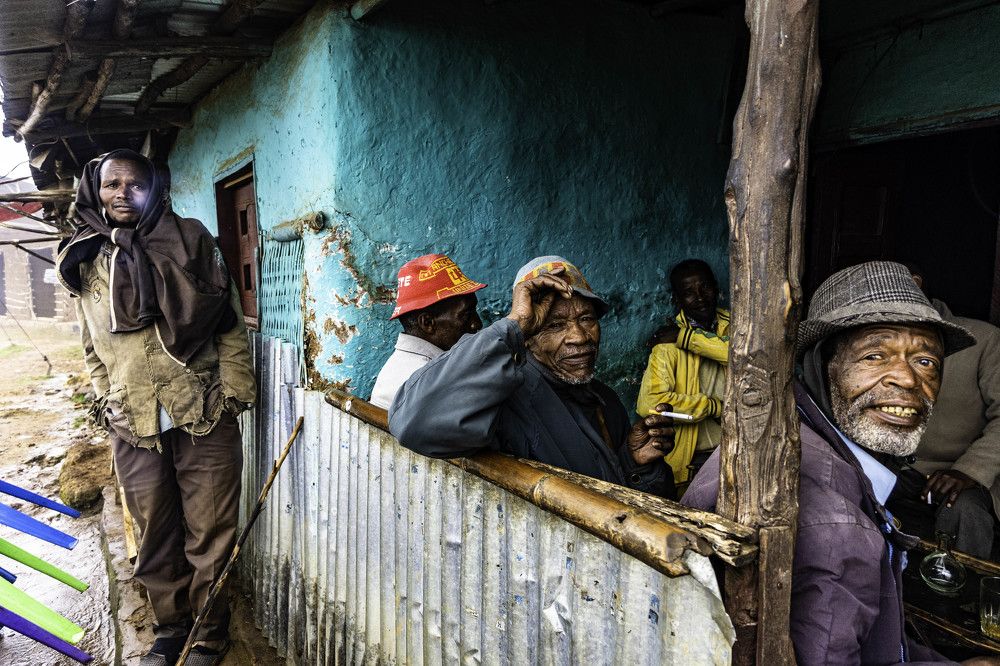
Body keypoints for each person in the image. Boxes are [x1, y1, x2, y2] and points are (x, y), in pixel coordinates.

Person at [684, 261, 979, 664]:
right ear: (824, 367)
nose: (908, 380)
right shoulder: (836, 526)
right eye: (875, 356)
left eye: (926, 361)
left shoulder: (789, 437)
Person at [56, 149, 256, 666]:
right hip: (133, 421)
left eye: (134, 183)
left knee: (210, 530)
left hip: (202, 411)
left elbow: (229, 325)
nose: (122, 193)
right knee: (152, 532)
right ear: (94, 192)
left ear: (154, 189)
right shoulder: (84, 258)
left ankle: (209, 635)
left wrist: (233, 391)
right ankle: (170, 631)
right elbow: (90, 347)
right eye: (111, 184)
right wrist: (106, 400)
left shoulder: (190, 240)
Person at [389, 255, 676, 498]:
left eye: (586, 319)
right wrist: (514, 325)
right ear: (528, 338)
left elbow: (617, 497)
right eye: (555, 325)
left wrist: (636, 462)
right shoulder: (505, 399)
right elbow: (414, 424)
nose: (578, 337)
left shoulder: (605, 401)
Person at [887, 266, 1000, 559]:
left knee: (962, 509)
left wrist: (968, 471)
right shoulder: (877, 340)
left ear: (916, 284)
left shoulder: (984, 339)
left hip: (965, 471)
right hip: (899, 467)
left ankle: (965, 601)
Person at [637, 259, 729, 487]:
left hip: (741, 450)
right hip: (694, 462)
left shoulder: (738, 326)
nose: (699, 297)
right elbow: (649, 403)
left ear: (717, 288)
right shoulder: (667, 345)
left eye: (705, 287)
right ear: (677, 300)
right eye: (688, 292)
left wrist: (686, 338)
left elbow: (744, 355)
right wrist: (712, 407)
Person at [369, 253, 485, 409]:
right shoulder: (430, 379)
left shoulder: (405, 364)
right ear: (427, 323)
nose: (477, 324)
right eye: (466, 315)